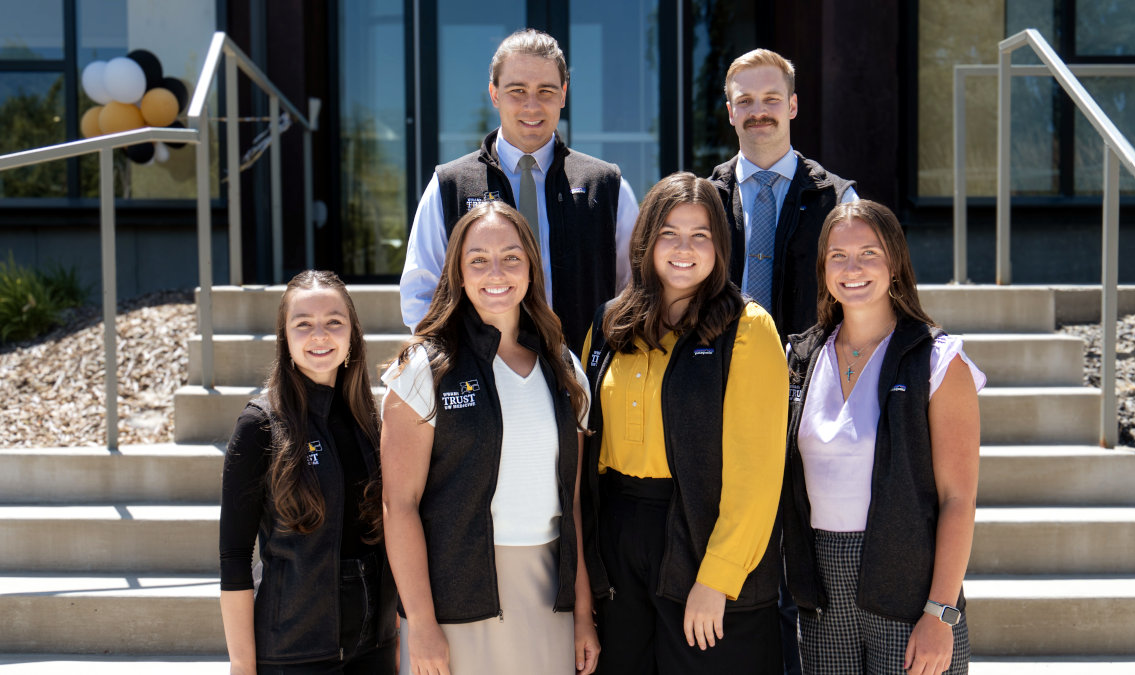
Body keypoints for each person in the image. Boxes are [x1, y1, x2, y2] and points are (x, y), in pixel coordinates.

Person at [579, 172, 788, 674]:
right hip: (619, 537)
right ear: (646, 241)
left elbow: (757, 476)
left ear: (720, 245)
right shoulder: (609, 325)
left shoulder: (748, 329)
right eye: (669, 233)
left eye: (701, 236)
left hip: (702, 535)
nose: (684, 248)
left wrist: (717, 578)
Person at [381, 200, 599, 675]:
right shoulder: (422, 371)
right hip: (453, 601)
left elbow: (575, 503)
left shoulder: (565, 370)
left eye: (511, 257)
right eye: (478, 259)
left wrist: (583, 614)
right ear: (458, 273)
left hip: (549, 597)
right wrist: (419, 621)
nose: (495, 271)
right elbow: (398, 505)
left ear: (531, 269)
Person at [782, 200, 984, 675]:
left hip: (910, 589)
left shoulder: (937, 360)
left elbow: (959, 499)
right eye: (838, 256)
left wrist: (940, 612)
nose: (852, 268)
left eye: (868, 253)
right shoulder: (800, 357)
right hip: (822, 591)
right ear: (823, 267)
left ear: (894, 262)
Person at [399, 28, 639, 351]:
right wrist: (459, 369)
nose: (532, 106)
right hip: (486, 387)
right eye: (517, 90)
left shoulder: (609, 187)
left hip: (583, 386)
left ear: (563, 94)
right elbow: (420, 295)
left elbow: (634, 291)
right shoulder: (449, 186)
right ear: (494, 93)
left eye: (546, 91)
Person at [219, 270, 398, 674]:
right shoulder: (260, 425)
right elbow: (233, 557)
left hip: (375, 646)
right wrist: (242, 665)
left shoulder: (373, 419)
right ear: (286, 339)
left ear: (353, 334)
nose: (320, 335)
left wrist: (397, 631)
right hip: (294, 651)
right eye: (304, 324)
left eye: (334, 322)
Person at [709, 48, 858, 339]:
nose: (758, 111)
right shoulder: (706, 199)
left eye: (771, 99)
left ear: (792, 106)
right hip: (721, 372)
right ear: (731, 113)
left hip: (809, 373)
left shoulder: (839, 200)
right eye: (745, 101)